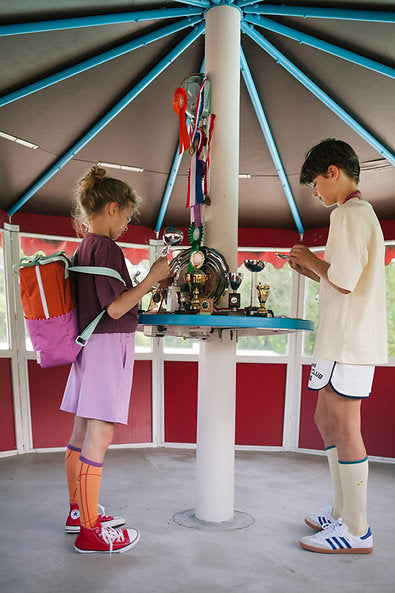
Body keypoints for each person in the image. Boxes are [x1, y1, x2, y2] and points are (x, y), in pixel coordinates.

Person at [60, 166, 172, 554]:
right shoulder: (107, 247)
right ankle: (91, 532)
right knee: (101, 434)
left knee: (80, 433)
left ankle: (79, 513)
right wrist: (153, 278)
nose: (125, 224)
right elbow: (116, 307)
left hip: (88, 347)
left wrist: (143, 281)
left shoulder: (85, 245)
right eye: (125, 217)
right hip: (108, 346)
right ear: (111, 208)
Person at [289, 138, 387, 554]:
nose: (316, 193)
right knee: (326, 419)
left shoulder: (349, 214)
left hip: (347, 343)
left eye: (315, 184)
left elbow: (343, 281)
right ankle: (342, 512)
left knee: (344, 428)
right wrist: (309, 267)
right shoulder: (358, 214)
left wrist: (309, 258)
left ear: (333, 172)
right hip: (339, 341)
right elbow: (342, 282)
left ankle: (357, 529)